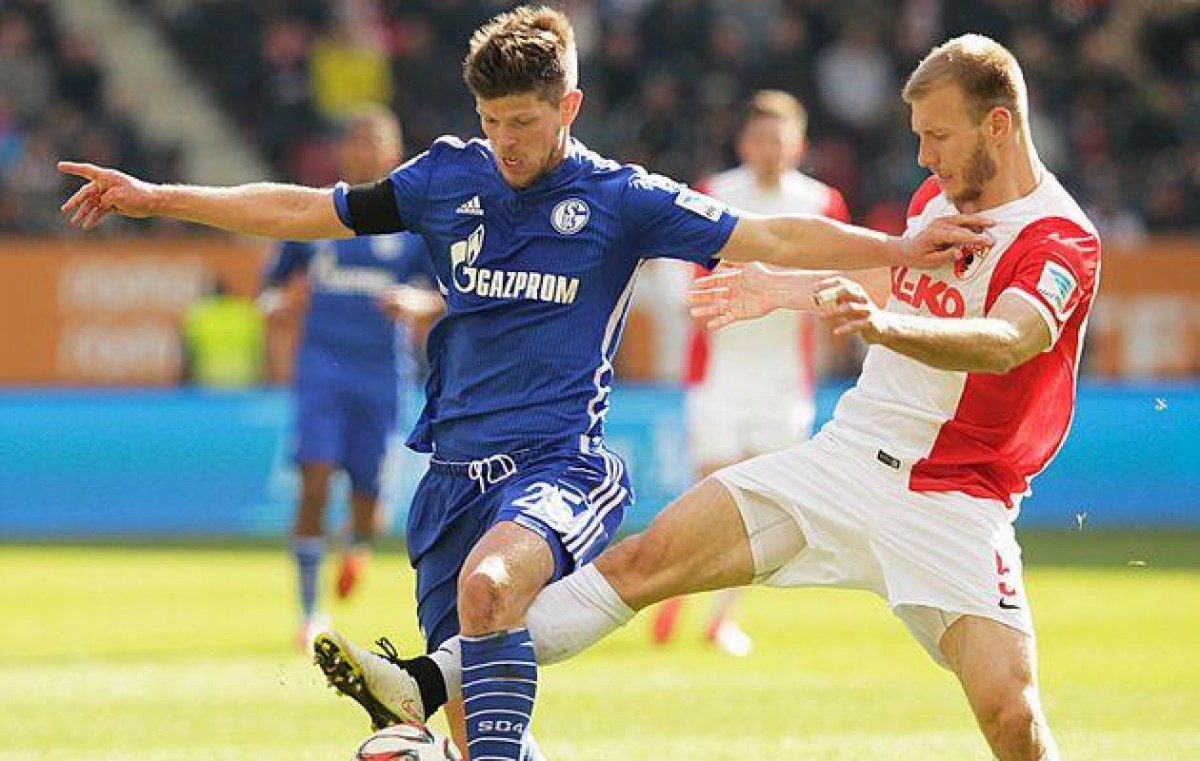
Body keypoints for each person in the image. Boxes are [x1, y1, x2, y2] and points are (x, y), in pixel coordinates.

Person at [57, 8, 990, 758]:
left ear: (568, 106)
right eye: (491, 121)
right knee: (481, 733)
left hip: (558, 465)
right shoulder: (443, 177)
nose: (505, 142)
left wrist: (900, 247)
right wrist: (159, 197)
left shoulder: (622, 199)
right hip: (448, 479)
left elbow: (772, 235)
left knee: (492, 585)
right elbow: (309, 210)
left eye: (524, 123)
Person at [299, 33, 1099, 761]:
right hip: (848, 461)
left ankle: (431, 690)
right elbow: (900, 281)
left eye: (938, 136)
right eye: (918, 135)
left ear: (998, 125)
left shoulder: (1059, 238)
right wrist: (783, 290)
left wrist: (882, 327)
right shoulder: (936, 204)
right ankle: (425, 682)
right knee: (641, 561)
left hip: (956, 499)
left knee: (1011, 715)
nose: (923, 157)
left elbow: (1010, 338)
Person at [651, 89, 851, 657]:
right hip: (719, 373)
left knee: (763, 505)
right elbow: (680, 277)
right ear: (744, 143)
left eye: (779, 140)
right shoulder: (715, 194)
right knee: (707, 492)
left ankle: (718, 618)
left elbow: (845, 277)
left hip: (785, 380)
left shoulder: (821, 202)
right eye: (760, 139)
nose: (769, 150)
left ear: (799, 145)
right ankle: (670, 586)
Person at [257, 106, 441, 648]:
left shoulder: (411, 226)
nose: (363, 152)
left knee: (368, 503)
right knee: (313, 479)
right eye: (355, 142)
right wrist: (275, 306)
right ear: (341, 152)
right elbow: (271, 288)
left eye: (373, 143)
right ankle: (309, 612)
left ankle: (357, 542)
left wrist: (417, 302)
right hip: (322, 367)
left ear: (393, 153)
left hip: (382, 374)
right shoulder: (316, 215)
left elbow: (444, 293)